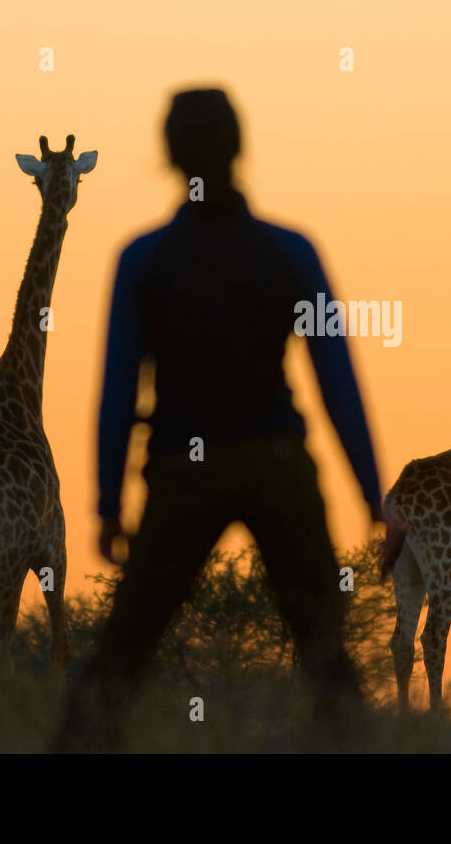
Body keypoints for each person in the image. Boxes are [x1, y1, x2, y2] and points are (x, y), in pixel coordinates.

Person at [58, 88, 383, 748]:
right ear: (240, 150)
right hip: (277, 463)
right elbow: (336, 379)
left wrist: (106, 505)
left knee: (119, 658)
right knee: (325, 654)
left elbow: (117, 391)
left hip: (182, 472)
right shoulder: (289, 251)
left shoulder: (143, 259)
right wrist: (375, 496)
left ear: (170, 157)